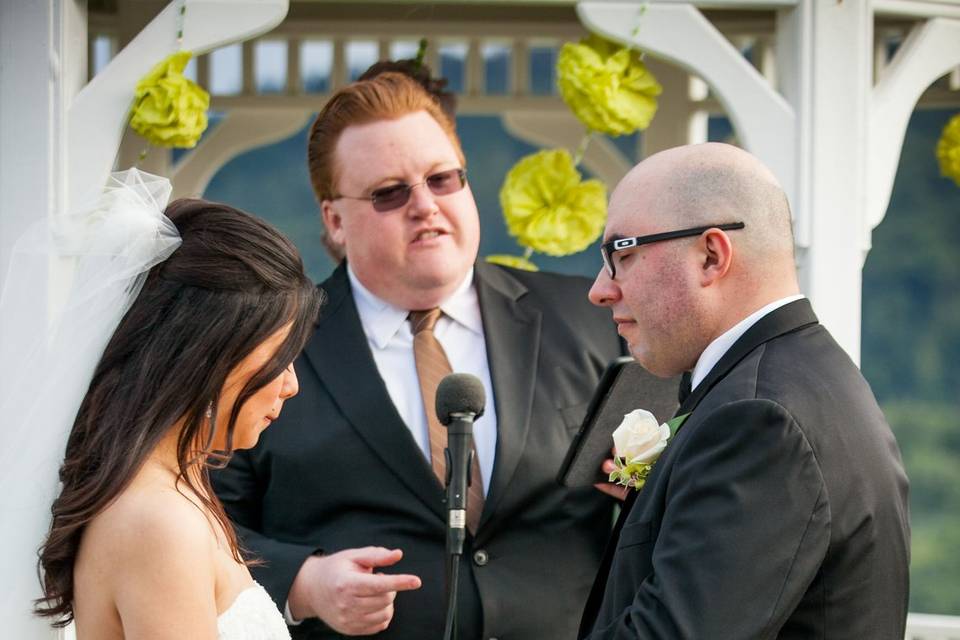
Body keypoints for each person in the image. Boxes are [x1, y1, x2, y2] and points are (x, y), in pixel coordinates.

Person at [212, 71, 645, 640]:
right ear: (334, 221)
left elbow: (680, 501)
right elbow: (203, 520)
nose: (424, 205)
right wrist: (304, 583)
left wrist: (644, 487)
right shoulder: (270, 347)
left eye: (443, 179)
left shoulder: (593, 319)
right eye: (389, 192)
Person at [579, 142, 910, 639]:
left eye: (620, 254)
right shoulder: (804, 376)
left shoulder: (758, 418)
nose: (600, 289)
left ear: (711, 256)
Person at [31, 181, 323, 639]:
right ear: (210, 355)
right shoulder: (157, 522)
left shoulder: (172, 490)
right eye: (279, 356)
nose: (291, 384)